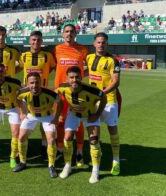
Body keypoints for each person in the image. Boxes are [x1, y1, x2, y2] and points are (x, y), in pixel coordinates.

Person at [56, 66, 107, 183]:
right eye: (71, 77)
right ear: (67, 78)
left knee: (94, 141)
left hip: (90, 115)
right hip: (74, 114)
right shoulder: (62, 87)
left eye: (77, 77)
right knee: (67, 137)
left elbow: (103, 97)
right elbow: (56, 93)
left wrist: (97, 114)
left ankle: (95, 170)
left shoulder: (92, 90)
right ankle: (67, 165)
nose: (74, 80)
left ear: (82, 77)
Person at [13, 72, 63, 178]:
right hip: (31, 115)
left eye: (36, 82)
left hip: (47, 116)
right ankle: (22, 162)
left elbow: (60, 103)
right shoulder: (22, 92)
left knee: (51, 139)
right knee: (21, 137)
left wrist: (56, 117)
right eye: (31, 83)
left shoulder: (50, 94)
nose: (34, 85)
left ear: (40, 82)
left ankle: (51, 165)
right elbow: (16, 98)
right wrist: (22, 112)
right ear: (27, 83)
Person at [53, 24, 89, 167]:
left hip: (76, 92)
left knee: (79, 124)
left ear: (75, 34)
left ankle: (79, 152)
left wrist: (80, 78)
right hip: (61, 92)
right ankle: (60, 149)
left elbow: (90, 68)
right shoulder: (56, 49)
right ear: (63, 34)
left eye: (71, 32)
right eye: (66, 32)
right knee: (60, 122)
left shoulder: (83, 50)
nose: (69, 34)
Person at [86, 32, 121, 176]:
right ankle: (96, 164)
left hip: (109, 101)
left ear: (107, 44)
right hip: (92, 102)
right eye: (99, 42)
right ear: (94, 43)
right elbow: (86, 72)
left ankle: (116, 160)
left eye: (104, 42)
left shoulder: (113, 61)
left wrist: (102, 94)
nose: (101, 45)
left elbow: (116, 81)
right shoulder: (89, 57)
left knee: (112, 131)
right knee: (94, 134)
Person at [18, 30, 56, 159]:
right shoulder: (23, 56)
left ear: (42, 41)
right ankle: (24, 149)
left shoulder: (48, 56)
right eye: (33, 40)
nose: (36, 42)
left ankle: (44, 148)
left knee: (44, 123)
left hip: (44, 94)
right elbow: (20, 68)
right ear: (29, 41)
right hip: (27, 95)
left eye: (39, 40)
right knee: (24, 120)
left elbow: (52, 68)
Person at [0, 26, 21, 110]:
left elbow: (22, 65)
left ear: (6, 36)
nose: (0, 37)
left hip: (9, 82)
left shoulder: (14, 51)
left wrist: (12, 72)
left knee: (14, 104)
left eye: (3, 35)